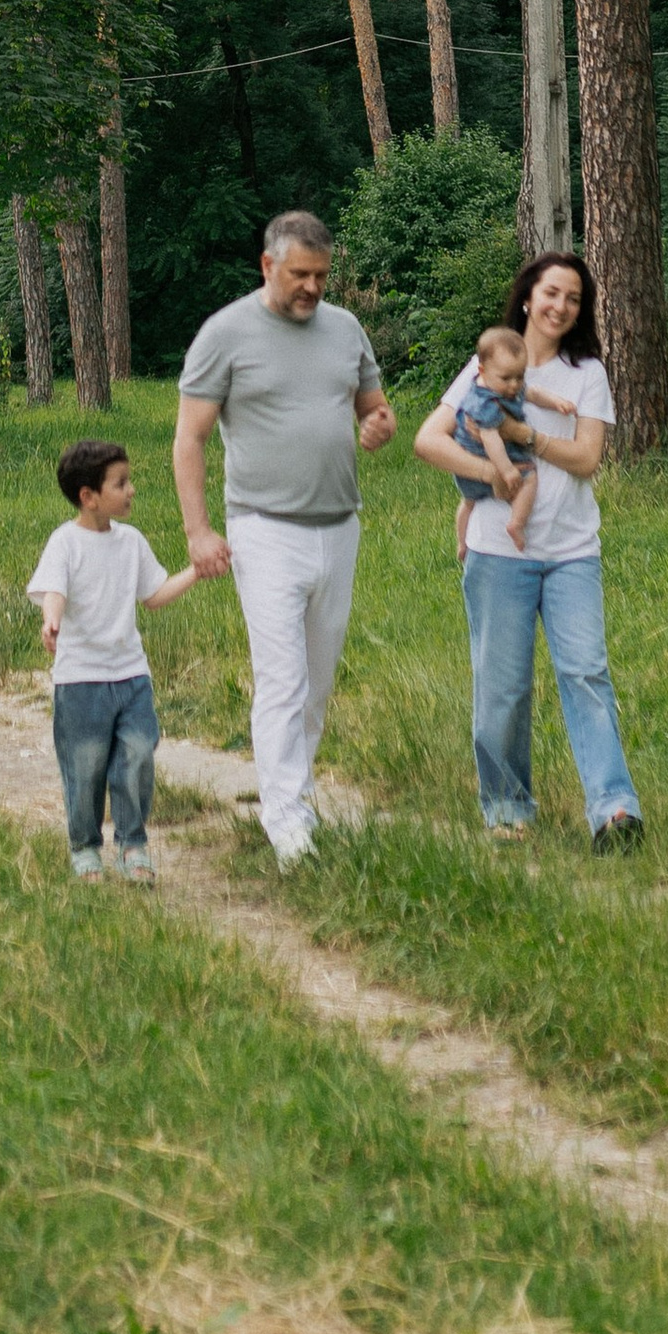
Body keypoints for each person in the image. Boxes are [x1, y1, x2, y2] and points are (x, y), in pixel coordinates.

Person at [173, 208, 395, 870]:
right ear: (268, 265)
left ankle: (295, 794)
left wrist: (379, 427)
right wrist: (198, 530)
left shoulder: (345, 328)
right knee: (283, 679)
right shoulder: (225, 334)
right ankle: (287, 821)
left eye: (322, 275)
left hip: (339, 526)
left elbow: (375, 409)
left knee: (317, 685)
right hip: (264, 528)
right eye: (300, 274)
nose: (313, 287)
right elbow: (190, 438)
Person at [414, 249, 642, 852]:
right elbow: (428, 440)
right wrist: (491, 475)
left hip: (572, 551)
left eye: (573, 298)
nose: (561, 306)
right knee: (503, 689)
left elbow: (587, 458)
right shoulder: (486, 365)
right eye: (551, 293)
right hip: (497, 554)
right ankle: (508, 807)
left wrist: (525, 437)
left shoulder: (586, 373)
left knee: (586, 673)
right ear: (527, 297)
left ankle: (614, 810)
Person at [26, 438, 204, 883]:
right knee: (85, 767)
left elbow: (154, 596)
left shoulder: (131, 542)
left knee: (138, 755)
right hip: (80, 681)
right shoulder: (65, 542)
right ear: (88, 496)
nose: (131, 490)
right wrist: (52, 620)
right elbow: (54, 590)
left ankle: (132, 844)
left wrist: (196, 571)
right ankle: (85, 847)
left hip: (131, 676)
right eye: (120, 483)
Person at [447, 324, 541, 554]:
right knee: (530, 477)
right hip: (485, 464)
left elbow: (531, 393)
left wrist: (556, 403)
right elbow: (491, 440)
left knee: (468, 503)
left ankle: (462, 543)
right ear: (482, 370)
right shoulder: (486, 403)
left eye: (520, 376)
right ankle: (516, 523)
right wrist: (506, 470)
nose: (514, 385)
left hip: (465, 474)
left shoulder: (499, 385)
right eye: (506, 378)